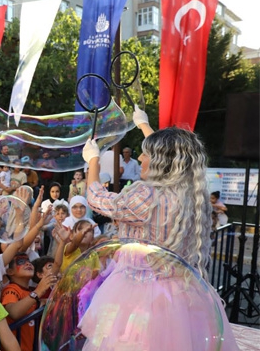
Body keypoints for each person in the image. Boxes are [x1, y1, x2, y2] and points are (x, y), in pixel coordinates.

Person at [80, 108, 240, 350]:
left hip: (139, 297)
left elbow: (97, 198)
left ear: (160, 162)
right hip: (183, 295)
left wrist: (92, 160)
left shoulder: (146, 195)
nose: (141, 159)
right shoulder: (194, 196)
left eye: (145, 155)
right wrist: (144, 126)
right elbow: (172, 152)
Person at [2, 253, 58, 351]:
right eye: (21, 262)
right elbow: (14, 312)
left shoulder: (30, 291)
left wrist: (42, 302)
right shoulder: (11, 289)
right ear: (10, 271)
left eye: (28, 261)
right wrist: (37, 292)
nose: (27, 263)